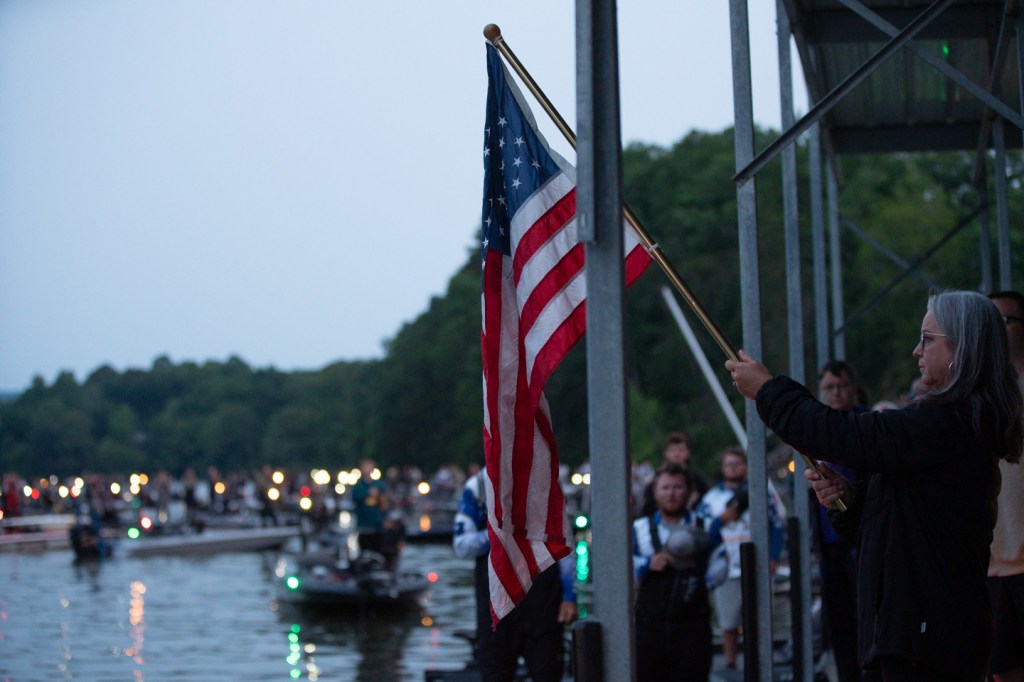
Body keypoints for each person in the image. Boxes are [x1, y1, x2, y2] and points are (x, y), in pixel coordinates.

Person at [726, 289, 1023, 681]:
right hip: (920, 633)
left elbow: (843, 435)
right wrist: (852, 501)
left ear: (961, 348)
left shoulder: (947, 423)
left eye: (927, 339)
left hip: (927, 637)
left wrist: (768, 391)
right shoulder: (951, 425)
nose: (917, 351)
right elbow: (906, 524)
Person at [452, 465, 577, 682]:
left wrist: (569, 596)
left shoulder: (546, 478)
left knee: (549, 672)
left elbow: (563, 542)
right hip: (497, 603)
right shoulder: (479, 486)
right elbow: (462, 546)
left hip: (544, 601)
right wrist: (498, 532)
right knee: (496, 674)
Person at [695, 446, 786, 672]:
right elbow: (702, 534)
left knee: (760, 619)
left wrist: (774, 557)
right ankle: (731, 664)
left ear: (745, 466)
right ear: (722, 468)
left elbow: (777, 525)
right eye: (729, 464)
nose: (733, 468)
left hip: (759, 566)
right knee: (728, 621)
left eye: (737, 464)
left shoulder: (762, 493)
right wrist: (721, 521)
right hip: (726, 568)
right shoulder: (711, 499)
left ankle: (760, 663)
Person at [633, 462, 715, 681]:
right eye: (665, 488)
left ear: (689, 492)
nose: (671, 494)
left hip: (693, 626)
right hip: (649, 627)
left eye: (678, 487)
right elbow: (622, 567)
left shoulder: (706, 526)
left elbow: (720, 566)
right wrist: (647, 564)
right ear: (655, 492)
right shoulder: (639, 528)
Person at [815, 360, 866, 682]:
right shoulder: (818, 428)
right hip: (829, 539)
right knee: (839, 619)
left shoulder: (866, 424)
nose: (835, 393)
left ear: (852, 388)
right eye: (829, 388)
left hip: (860, 536)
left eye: (841, 386)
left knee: (864, 613)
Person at [987, 290, 1024, 682]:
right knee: (1001, 669)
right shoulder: (977, 396)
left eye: (1003, 321)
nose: (994, 331)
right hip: (991, 563)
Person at [639, 432, 710, 517]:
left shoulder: (698, 479)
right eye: (672, 450)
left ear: (688, 453)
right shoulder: (657, 479)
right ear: (666, 453)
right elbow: (648, 508)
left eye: (681, 450)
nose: (676, 454)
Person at [351, 458, 388, 555]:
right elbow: (355, 498)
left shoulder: (379, 485)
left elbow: (384, 504)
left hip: (377, 526)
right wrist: (369, 493)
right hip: (363, 526)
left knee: (378, 552)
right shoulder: (358, 487)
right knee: (364, 553)